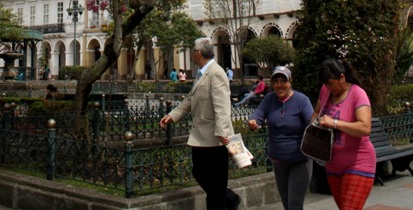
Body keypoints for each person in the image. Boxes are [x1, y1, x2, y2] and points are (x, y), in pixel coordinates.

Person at [160, 37, 241, 210]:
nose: (191, 54)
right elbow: (190, 98)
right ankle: (229, 197)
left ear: (198, 53)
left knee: (215, 184)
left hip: (216, 138)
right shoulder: (202, 72)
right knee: (200, 173)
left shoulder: (216, 73)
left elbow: (222, 106)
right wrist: (173, 115)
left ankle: (224, 200)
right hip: (201, 136)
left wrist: (222, 132)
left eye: (192, 51)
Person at [312, 57, 375, 210]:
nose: (329, 87)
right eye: (325, 84)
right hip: (332, 165)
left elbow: (365, 127)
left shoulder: (357, 94)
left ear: (342, 77)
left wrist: (335, 123)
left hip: (358, 163)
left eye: (331, 83)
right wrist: (316, 121)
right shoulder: (325, 91)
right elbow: (316, 113)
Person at [248, 65, 313, 210]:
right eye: (276, 81)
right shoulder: (269, 99)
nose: (279, 85)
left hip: (300, 160)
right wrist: (253, 121)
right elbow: (258, 114)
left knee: (294, 205)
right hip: (278, 161)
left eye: (283, 81)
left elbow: (311, 122)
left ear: (290, 81)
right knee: (287, 204)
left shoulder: (301, 100)